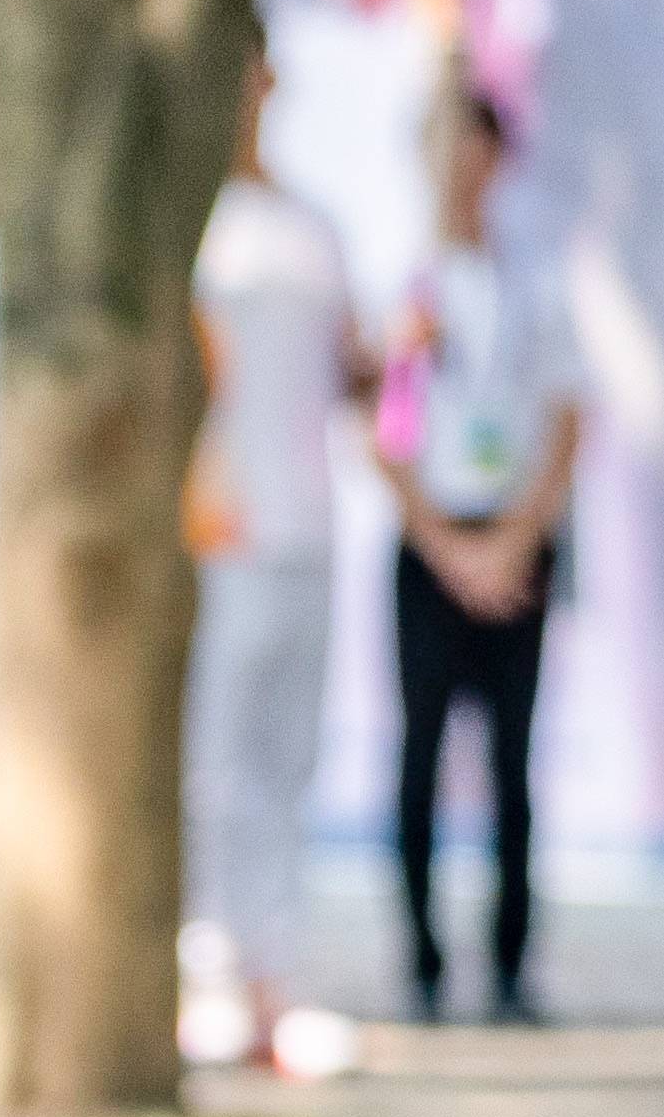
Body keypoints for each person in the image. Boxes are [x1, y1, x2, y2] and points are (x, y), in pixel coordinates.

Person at [383, 75, 579, 1026]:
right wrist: (444, 547)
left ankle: (508, 963)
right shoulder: (408, 286)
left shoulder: (532, 280)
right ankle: (420, 960)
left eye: (474, 144)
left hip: (515, 537)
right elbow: (388, 433)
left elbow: (564, 420)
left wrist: (512, 542)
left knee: (511, 760)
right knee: (419, 754)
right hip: (435, 541)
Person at [185, 58, 363, 1062]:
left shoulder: (313, 227)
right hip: (220, 532)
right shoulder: (187, 233)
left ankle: (275, 977)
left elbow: (346, 368)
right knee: (215, 762)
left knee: (286, 761)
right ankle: (208, 968)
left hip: (308, 528)